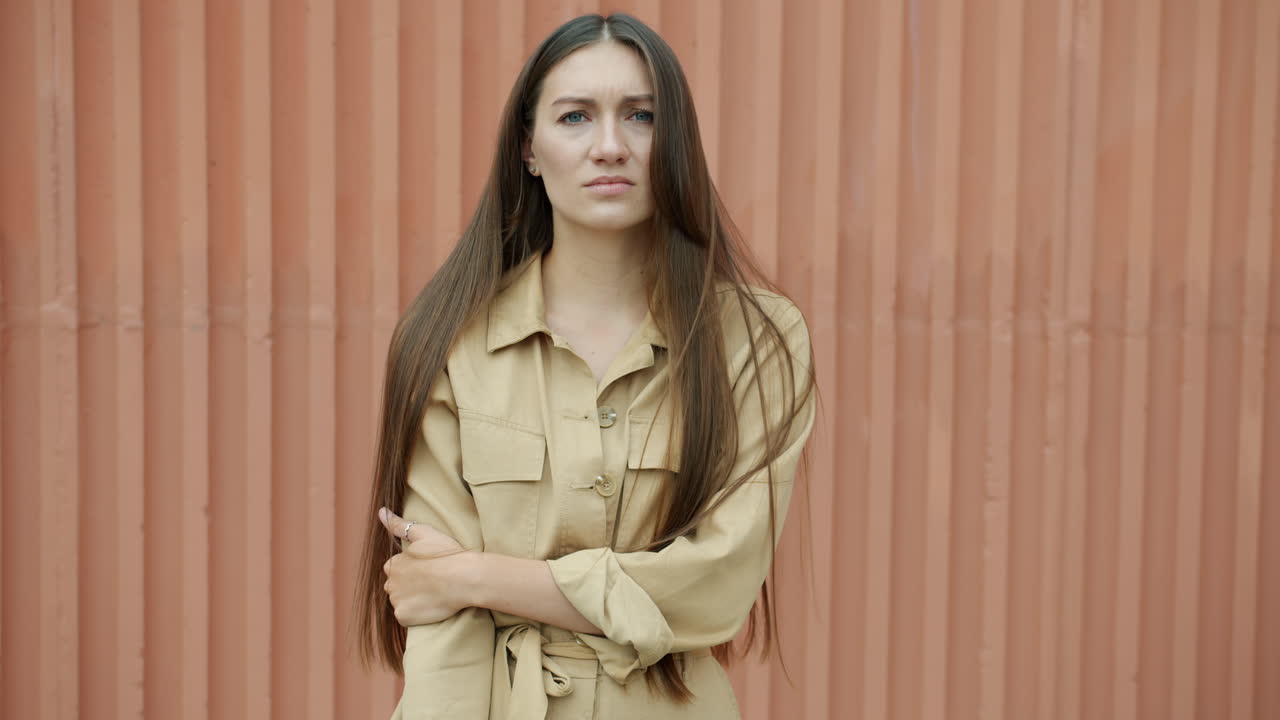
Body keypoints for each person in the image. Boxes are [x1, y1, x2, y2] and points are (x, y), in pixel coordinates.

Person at [354, 12, 816, 720]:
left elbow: (714, 586)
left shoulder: (756, 342)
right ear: (529, 150)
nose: (610, 146)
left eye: (641, 116)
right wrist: (459, 591)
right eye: (574, 117)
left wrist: (476, 575)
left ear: (677, 146)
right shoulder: (451, 341)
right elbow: (441, 625)